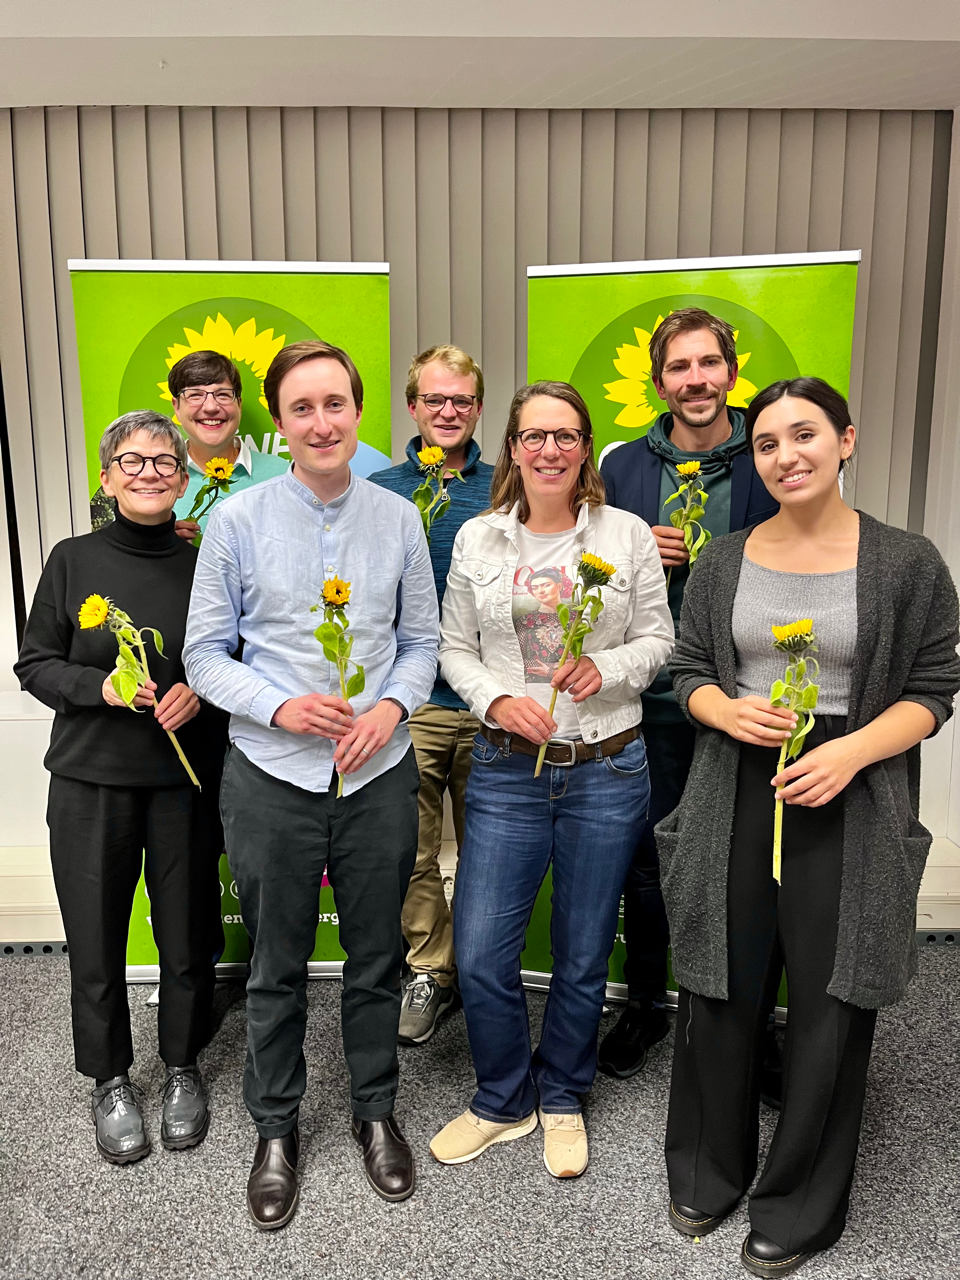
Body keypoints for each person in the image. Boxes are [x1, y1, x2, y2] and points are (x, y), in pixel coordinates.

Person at [658, 377, 960, 1276]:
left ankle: (801, 1199)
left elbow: (936, 689)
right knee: (719, 981)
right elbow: (690, 668)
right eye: (766, 444)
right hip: (736, 783)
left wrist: (852, 751)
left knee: (832, 999)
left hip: (850, 789)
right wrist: (720, 711)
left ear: (846, 441)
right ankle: (711, 1166)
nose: (786, 456)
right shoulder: (725, 558)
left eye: (804, 435)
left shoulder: (907, 562)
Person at [183, 339, 439, 1229]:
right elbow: (204, 656)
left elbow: (421, 642)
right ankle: (276, 1129)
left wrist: (395, 711)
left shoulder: (399, 519)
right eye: (302, 408)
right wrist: (279, 707)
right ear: (280, 422)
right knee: (274, 963)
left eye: (336, 404)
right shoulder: (237, 523)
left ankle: (375, 1113)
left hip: (375, 773)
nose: (321, 422)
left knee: (376, 957)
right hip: (268, 773)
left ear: (359, 414)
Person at [430, 382, 674, 1179]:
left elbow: (658, 641)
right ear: (511, 447)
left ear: (585, 448)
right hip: (505, 769)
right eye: (533, 436)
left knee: (580, 948)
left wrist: (602, 665)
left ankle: (562, 1095)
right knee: (478, 952)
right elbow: (452, 646)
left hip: (607, 765)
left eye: (566, 436)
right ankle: (503, 1098)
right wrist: (496, 698)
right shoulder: (478, 540)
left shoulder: (627, 534)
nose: (549, 451)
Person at [15, 411, 228, 1165]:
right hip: (89, 783)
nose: (148, 472)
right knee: (98, 943)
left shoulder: (208, 561)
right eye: (131, 461)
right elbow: (35, 663)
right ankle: (109, 1078)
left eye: (164, 461)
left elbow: (235, 654)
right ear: (107, 478)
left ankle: (181, 1067)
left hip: (183, 781)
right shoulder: (71, 559)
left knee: (187, 935)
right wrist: (101, 686)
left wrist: (200, 692)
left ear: (184, 476)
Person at [599, 307, 779, 1083]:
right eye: (679, 367)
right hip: (651, 702)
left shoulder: (773, 450)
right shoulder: (619, 465)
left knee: (751, 865)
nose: (696, 380)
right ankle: (644, 999)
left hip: (749, 697)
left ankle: (755, 1021)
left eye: (709, 364)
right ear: (658, 380)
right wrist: (638, 547)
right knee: (648, 860)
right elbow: (587, 569)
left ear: (730, 372)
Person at [369, 345, 494, 1045]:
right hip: (408, 701)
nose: (449, 412)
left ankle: (478, 970)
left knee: (488, 850)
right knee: (409, 850)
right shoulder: (378, 491)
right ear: (412, 406)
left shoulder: (507, 487)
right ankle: (429, 969)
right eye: (435, 400)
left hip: (488, 702)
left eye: (463, 401)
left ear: (478, 408)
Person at [168, 349, 290, 539]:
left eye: (223, 395)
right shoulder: (157, 479)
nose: (210, 407)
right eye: (195, 395)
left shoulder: (284, 475)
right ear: (176, 407)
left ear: (239, 404)